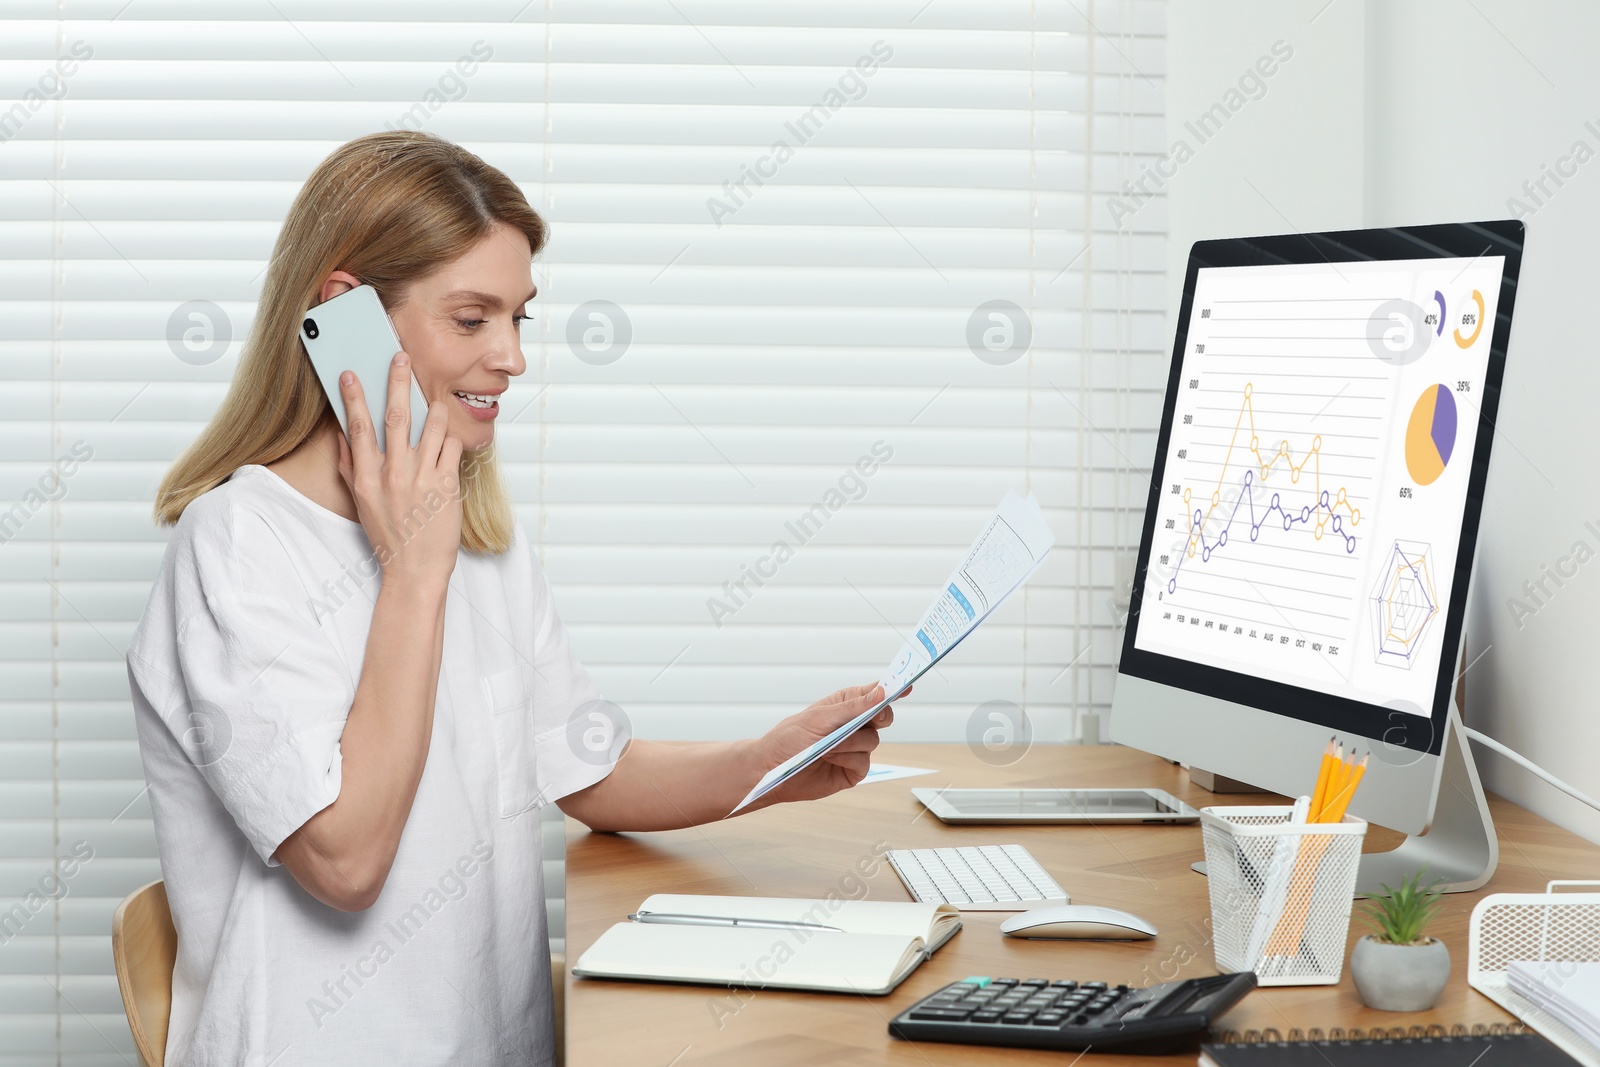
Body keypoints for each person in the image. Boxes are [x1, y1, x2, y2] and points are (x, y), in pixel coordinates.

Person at [125, 131, 901, 1066]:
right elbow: (346, 861)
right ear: (346, 319)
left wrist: (769, 761)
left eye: (519, 317)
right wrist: (414, 570)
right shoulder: (238, 544)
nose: (512, 357)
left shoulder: (481, 530)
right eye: (471, 318)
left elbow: (583, 770)